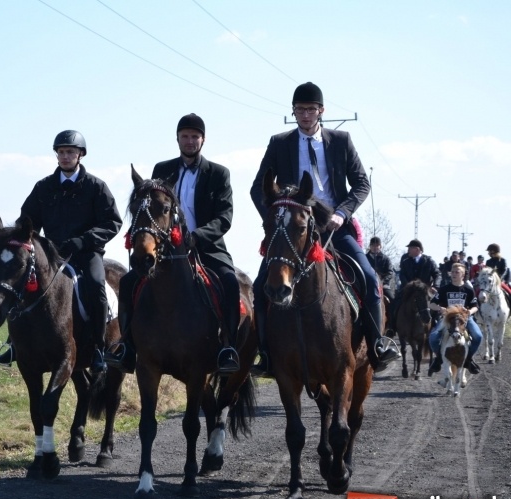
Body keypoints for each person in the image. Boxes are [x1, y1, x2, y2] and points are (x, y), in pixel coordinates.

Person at [249, 82, 398, 376]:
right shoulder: (279, 143)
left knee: (368, 277)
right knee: (259, 285)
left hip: (333, 227)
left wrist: (342, 213)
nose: (305, 115)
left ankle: (377, 345)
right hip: (294, 230)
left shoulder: (341, 140)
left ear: (321, 111)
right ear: (293, 111)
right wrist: (276, 217)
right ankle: (266, 355)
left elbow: (361, 184)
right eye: (300, 110)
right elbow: (258, 188)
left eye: (311, 109)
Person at [106, 113, 241, 374]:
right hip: (164, 248)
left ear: (203, 140)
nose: (189, 141)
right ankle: (127, 346)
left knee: (230, 282)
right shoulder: (161, 170)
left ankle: (228, 347)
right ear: (177, 139)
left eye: (194, 137)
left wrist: (196, 236)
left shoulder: (219, 174)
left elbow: (225, 217)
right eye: (185, 136)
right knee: (128, 282)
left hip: (206, 246)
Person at [0, 130, 123, 373]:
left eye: (70, 152)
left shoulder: (96, 187)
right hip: (52, 255)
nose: (65, 156)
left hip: (86, 253)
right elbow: (27, 223)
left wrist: (84, 241)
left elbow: (113, 222)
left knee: (95, 286)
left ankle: (98, 349)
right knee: (20, 285)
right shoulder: (43, 187)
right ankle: (13, 346)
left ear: (80, 155)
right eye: (61, 152)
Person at [427, 263, 482, 376]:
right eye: (452, 272)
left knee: (478, 336)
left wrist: (469, 312)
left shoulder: (468, 290)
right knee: (433, 337)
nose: (454, 274)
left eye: (457, 272)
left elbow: (476, 306)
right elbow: (431, 304)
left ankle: (468, 359)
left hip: (464, 318)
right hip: (447, 318)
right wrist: (440, 308)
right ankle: (439, 358)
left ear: (463, 275)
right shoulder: (444, 289)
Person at [366, 237, 396, 334]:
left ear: (380, 246)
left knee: (392, 300)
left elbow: (390, 272)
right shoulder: (365, 258)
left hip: (383, 286)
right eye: (373, 245)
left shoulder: (386, 259)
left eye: (377, 246)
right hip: (367, 285)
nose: (375, 248)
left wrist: (382, 282)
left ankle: (391, 326)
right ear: (370, 246)